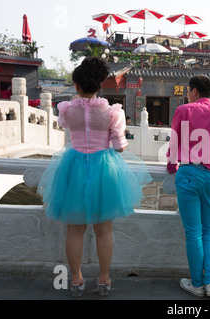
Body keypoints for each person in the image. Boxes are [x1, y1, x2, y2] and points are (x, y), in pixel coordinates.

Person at [37, 57, 152, 298]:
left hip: (74, 166)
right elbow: (120, 147)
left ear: (77, 86)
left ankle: (77, 280)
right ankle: (103, 279)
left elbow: (64, 126)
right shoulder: (112, 112)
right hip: (104, 168)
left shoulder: (66, 109)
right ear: (99, 85)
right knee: (104, 230)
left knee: (75, 230)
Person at [166, 75, 210, 298]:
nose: (188, 94)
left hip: (189, 174)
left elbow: (175, 141)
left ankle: (196, 283)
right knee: (208, 231)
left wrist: (171, 165)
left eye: (189, 91)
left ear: (195, 91)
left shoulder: (184, 110)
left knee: (193, 234)